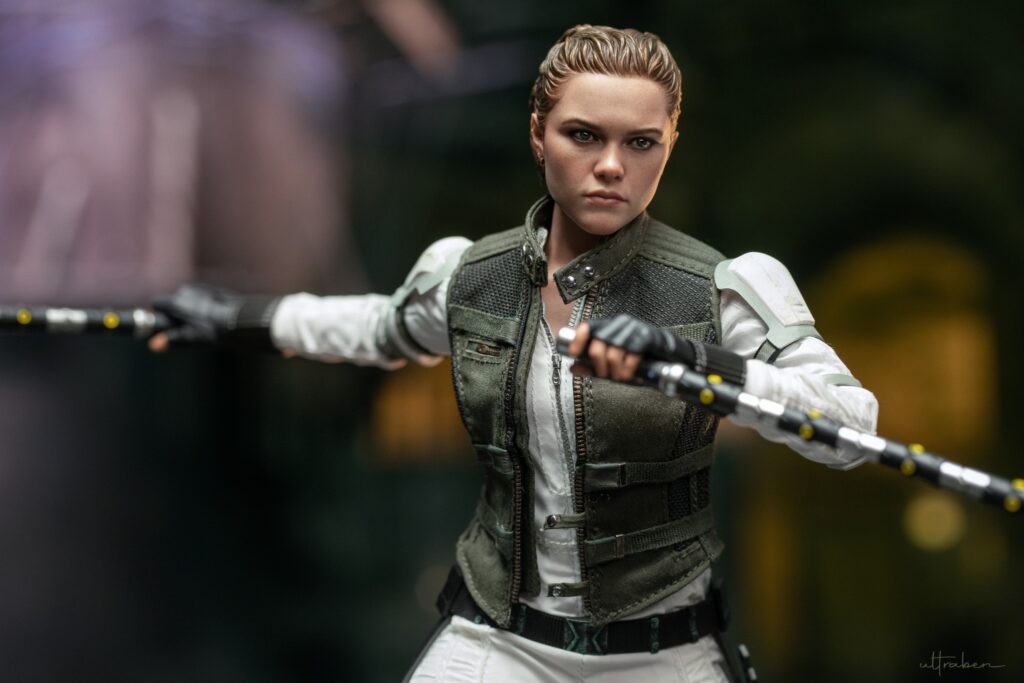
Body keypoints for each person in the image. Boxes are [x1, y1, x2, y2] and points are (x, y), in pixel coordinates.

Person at [151, 24, 878, 683]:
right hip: (501, 639)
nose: (611, 166)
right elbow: (375, 328)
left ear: (671, 141)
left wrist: (701, 368)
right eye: (583, 135)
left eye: (641, 143)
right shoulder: (474, 275)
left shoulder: (724, 288)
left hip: (663, 651)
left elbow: (851, 426)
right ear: (538, 133)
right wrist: (234, 316)